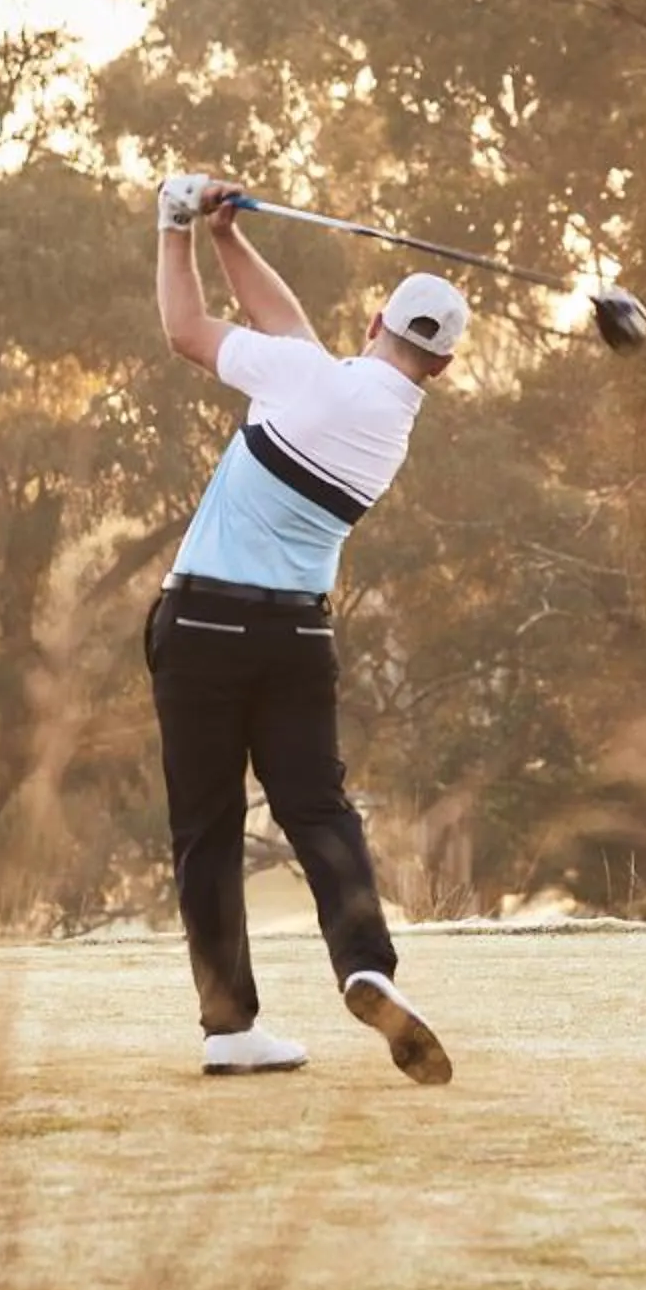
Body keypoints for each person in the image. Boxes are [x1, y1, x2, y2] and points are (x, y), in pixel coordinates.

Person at [146, 173, 457, 1084]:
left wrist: (176, 224)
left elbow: (185, 333)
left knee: (205, 826)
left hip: (201, 622)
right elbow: (289, 336)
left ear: (373, 324)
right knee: (318, 810)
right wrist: (231, 239)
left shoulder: (308, 377)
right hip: (296, 641)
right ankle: (366, 963)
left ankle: (230, 1028)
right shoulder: (384, 422)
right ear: (439, 367)